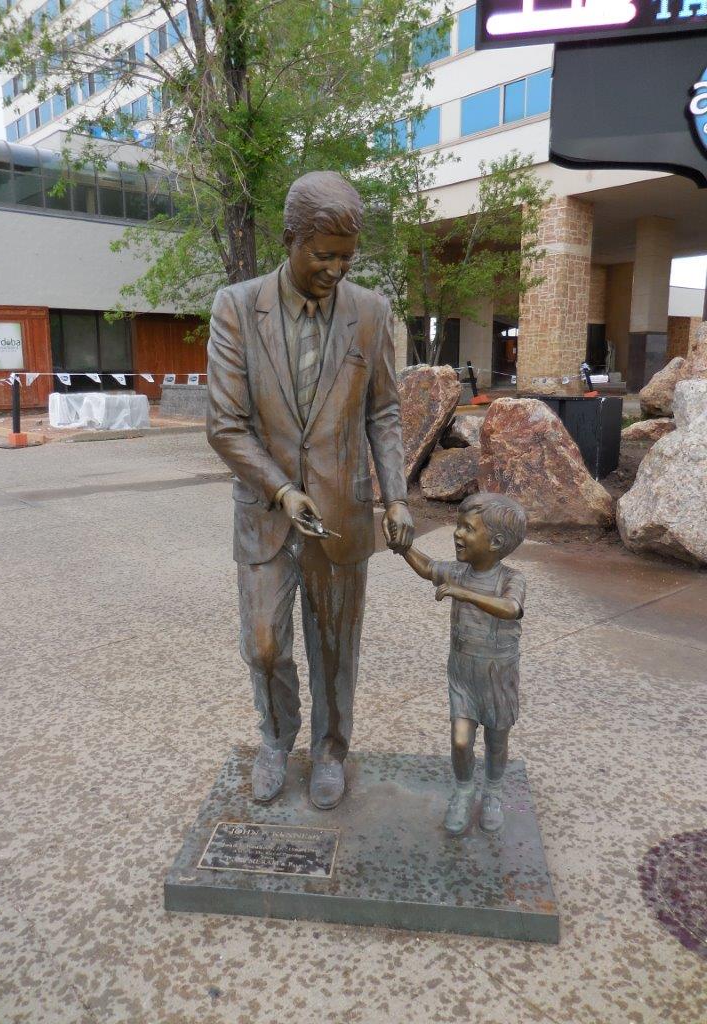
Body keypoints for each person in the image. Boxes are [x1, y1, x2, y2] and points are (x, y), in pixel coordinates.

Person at [206, 171, 414, 810]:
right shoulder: (237, 307)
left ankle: (330, 749)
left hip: (341, 510)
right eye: (323, 255)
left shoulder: (371, 312)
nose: (336, 269)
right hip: (265, 516)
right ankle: (276, 739)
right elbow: (225, 426)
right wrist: (278, 490)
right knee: (264, 642)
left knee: (334, 644)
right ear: (290, 239)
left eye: (347, 257)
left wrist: (397, 497)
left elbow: (383, 413)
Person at [400, 493, 527, 834]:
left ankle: (494, 792)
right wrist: (403, 548)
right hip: (463, 673)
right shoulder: (457, 571)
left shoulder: (510, 579)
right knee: (460, 740)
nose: (457, 534)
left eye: (467, 529)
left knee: (497, 741)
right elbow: (428, 568)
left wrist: (462, 593)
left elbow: (511, 608)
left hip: (498, 675)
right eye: (458, 526)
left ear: (496, 542)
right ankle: (463, 789)